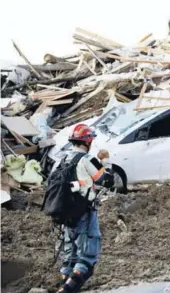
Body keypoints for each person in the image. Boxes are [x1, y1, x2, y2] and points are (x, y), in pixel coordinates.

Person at [57, 124, 114, 293]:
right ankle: (66, 291)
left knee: (70, 257)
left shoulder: (64, 159)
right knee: (87, 257)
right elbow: (107, 181)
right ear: (88, 141)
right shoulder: (88, 160)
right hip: (84, 212)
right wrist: (106, 162)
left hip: (66, 213)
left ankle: (64, 285)